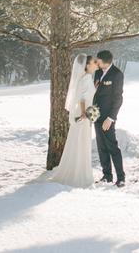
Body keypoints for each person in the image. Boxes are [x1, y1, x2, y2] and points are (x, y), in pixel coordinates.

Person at [51, 53, 97, 188]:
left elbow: (85, 94)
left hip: (83, 113)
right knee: (81, 142)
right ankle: (79, 174)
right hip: (83, 114)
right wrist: (84, 113)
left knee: (78, 141)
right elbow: (82, 98)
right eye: (94, 62)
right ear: (87, 65)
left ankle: (74, 170)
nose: (96, 64)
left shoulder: (84, 78)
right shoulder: (87, 77)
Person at [93, 49, 125, 187]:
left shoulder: (117, 74)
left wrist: (111, 118)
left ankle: (121, 177)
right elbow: (95, 95)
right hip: (96, 116)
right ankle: (107, 176)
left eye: (98, 60)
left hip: (108, 118)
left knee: (112, 147)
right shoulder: (98, 72)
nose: (97, 62)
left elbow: (118, 98)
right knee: (101, 147)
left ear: (105, 61)